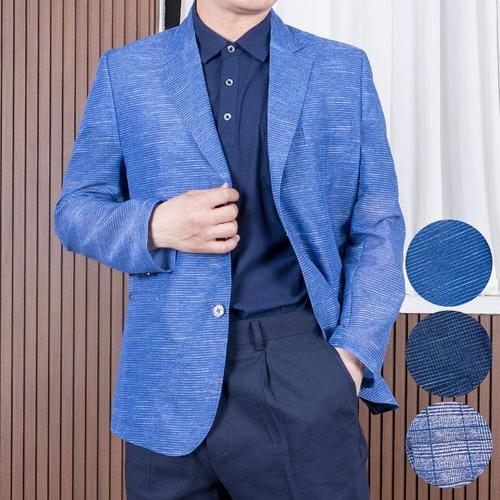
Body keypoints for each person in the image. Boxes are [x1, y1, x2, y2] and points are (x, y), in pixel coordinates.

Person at [53, 0, 405, 498]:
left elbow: (378, 224)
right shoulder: (128, 70)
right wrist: (156, 224)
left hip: (300, 367)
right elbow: (75, 211)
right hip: (165, 384)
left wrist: (349, 359)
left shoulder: (341, 69)